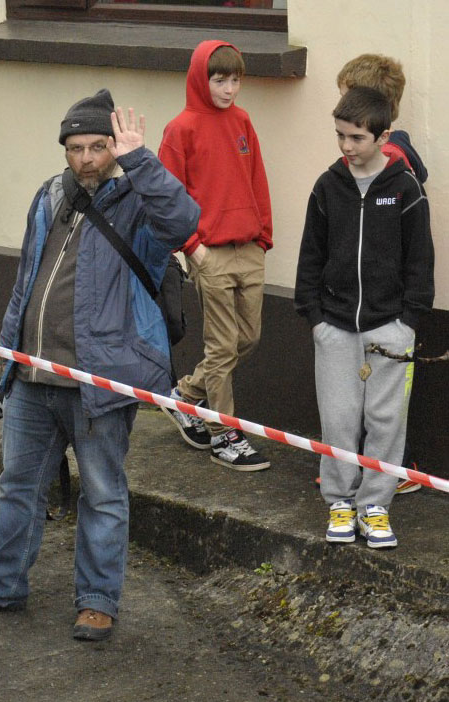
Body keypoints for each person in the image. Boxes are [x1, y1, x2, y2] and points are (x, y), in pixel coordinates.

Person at [0, 90, 200, 640]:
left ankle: (98, 600)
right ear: (65, 149)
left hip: (99, 382)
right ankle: (1, 586)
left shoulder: (138, 200)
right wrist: (10, 358)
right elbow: (26, 279)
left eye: (99, 146)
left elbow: (183, 222)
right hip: (34, 375)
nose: (87, 158)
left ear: (114, 147)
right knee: (17, 485)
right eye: (77, 147)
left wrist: (141, 161)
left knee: (103, 492)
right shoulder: (48, 196)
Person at [295, 87, 434, 549]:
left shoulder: (405, 188)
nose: (346, 147)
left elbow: (421, 259)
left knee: (386, 420)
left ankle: (375, 506)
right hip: (333, 325)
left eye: (356, 138)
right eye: (340, 136)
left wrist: (409, 320)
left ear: (383, 135)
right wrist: (314, 317)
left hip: (391, 326)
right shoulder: (327, 185)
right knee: (338, 419)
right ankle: (339, 500)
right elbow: (310, 255)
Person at [158, 40, 273, 472]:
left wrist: (263, 236)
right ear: (200, 79)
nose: (228, 89)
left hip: (249, 248)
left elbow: (257, 178)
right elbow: (166, 197)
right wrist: (192, 248)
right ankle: (225, 434)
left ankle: (187, 395)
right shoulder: (181, 129)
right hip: (209, 252)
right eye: (219, 79)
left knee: (250, 338)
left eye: (235, 80)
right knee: (223, 346)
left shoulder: (242, 120)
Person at [336, 54, 428, 495]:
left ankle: (373, 480)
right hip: (378, 308)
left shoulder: (387, 166)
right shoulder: (397, 152)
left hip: (377, 308)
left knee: (372, 402)